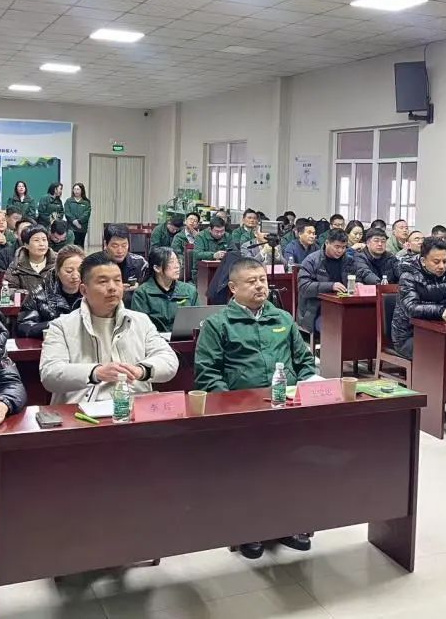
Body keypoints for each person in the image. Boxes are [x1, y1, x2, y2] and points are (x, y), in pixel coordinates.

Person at [194, 256, 318, 559]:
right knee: (250, 471)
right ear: (233, 288)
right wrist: (234, 409)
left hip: (286, 407)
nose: (260, 286)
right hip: (243, 413)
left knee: (293, 467)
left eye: (262, 279)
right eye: (252, 281)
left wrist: (309, 388)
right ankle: (249, 529)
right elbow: (207, 374)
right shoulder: (218, 324)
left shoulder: (282, 319)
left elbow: (304, 362)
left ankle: (289, 524)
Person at [39, 251, 178, 403]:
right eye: (103, 282)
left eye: (117, 280)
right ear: (84, 290)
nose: (112, 287)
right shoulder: (62, 326)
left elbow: (169, 360)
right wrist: (96, 372)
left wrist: (141, 370)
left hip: (133, 408)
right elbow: (50, 374)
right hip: (81, 410)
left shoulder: (140, 321)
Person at [391, 237, 446, 357]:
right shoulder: (408, 276)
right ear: (423, 261)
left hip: (439, 330)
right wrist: (441, 311)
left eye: (445, 261)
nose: (442, 266)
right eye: (436, 262)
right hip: (410, 335)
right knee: (442, 353)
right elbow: (411, 308)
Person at [297, 229, 379, 333]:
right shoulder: (312, 260)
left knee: (362, 324)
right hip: (315, 312)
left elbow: (358, 277)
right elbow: (304, 287)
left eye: (343, 247)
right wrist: (331, 286)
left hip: (343, 308)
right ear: (327, 243)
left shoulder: (349, 261)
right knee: (338, 327)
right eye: (337, 247)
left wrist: (358, 285)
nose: (340, 251)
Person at [16, 245, 85, 338]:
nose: (75, 276)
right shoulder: (38, 294)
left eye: (80, 270)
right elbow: (24, 327)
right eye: (69, 271)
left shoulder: (92, 293)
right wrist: (57, 324)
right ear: (57, 271)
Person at [131, 247, 199, 333]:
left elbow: (198, 322)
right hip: (153, 339)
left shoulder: (190, 291)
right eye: (171, 262)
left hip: (183, 338)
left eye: (178, 261)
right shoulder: (142, 294)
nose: (177, 266)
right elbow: (140, 328)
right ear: (156, 268)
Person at [4, 225, 57, 295]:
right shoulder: (17, 265)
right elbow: (9, 290)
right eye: (36, 240)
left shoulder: (58, 262)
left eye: (44, 240)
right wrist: (28, 295)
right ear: (26, 245)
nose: (42, 244)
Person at [103, 223, 149, 290]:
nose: (120, 251)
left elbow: (151, 285)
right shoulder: (95, 265)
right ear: (105, 245)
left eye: (124, 245)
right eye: (115, 246)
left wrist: (140, 287)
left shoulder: (140, 263)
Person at [64, 182, 91, 247]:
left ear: (82, 190)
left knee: (80, 246)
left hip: (82, 228)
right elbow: (67, 213)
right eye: (74, 189)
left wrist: (78, 221)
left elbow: (87, 214)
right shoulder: (69, 201)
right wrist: (74, 221)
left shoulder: (86, 202)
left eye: (78, 189)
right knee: (71, 246)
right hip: (71, 227)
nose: (76, 191)